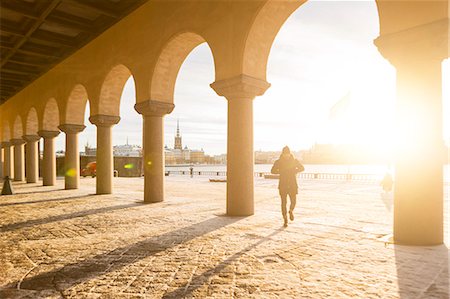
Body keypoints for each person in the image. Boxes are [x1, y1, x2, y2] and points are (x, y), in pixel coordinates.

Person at [271, 146, 304, 227]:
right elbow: (272, 171)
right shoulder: (278, 162)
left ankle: (291, 210)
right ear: (282, 153)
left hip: (292, 184)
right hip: (283, 184)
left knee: (293, 201)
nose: (287, 155)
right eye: (285, 154)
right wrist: (281, 171)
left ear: (290, 153)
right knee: (283, 203)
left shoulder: (294, 161)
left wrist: (294, 171)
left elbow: (302, 168)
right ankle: (285, 219)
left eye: (288, 154)